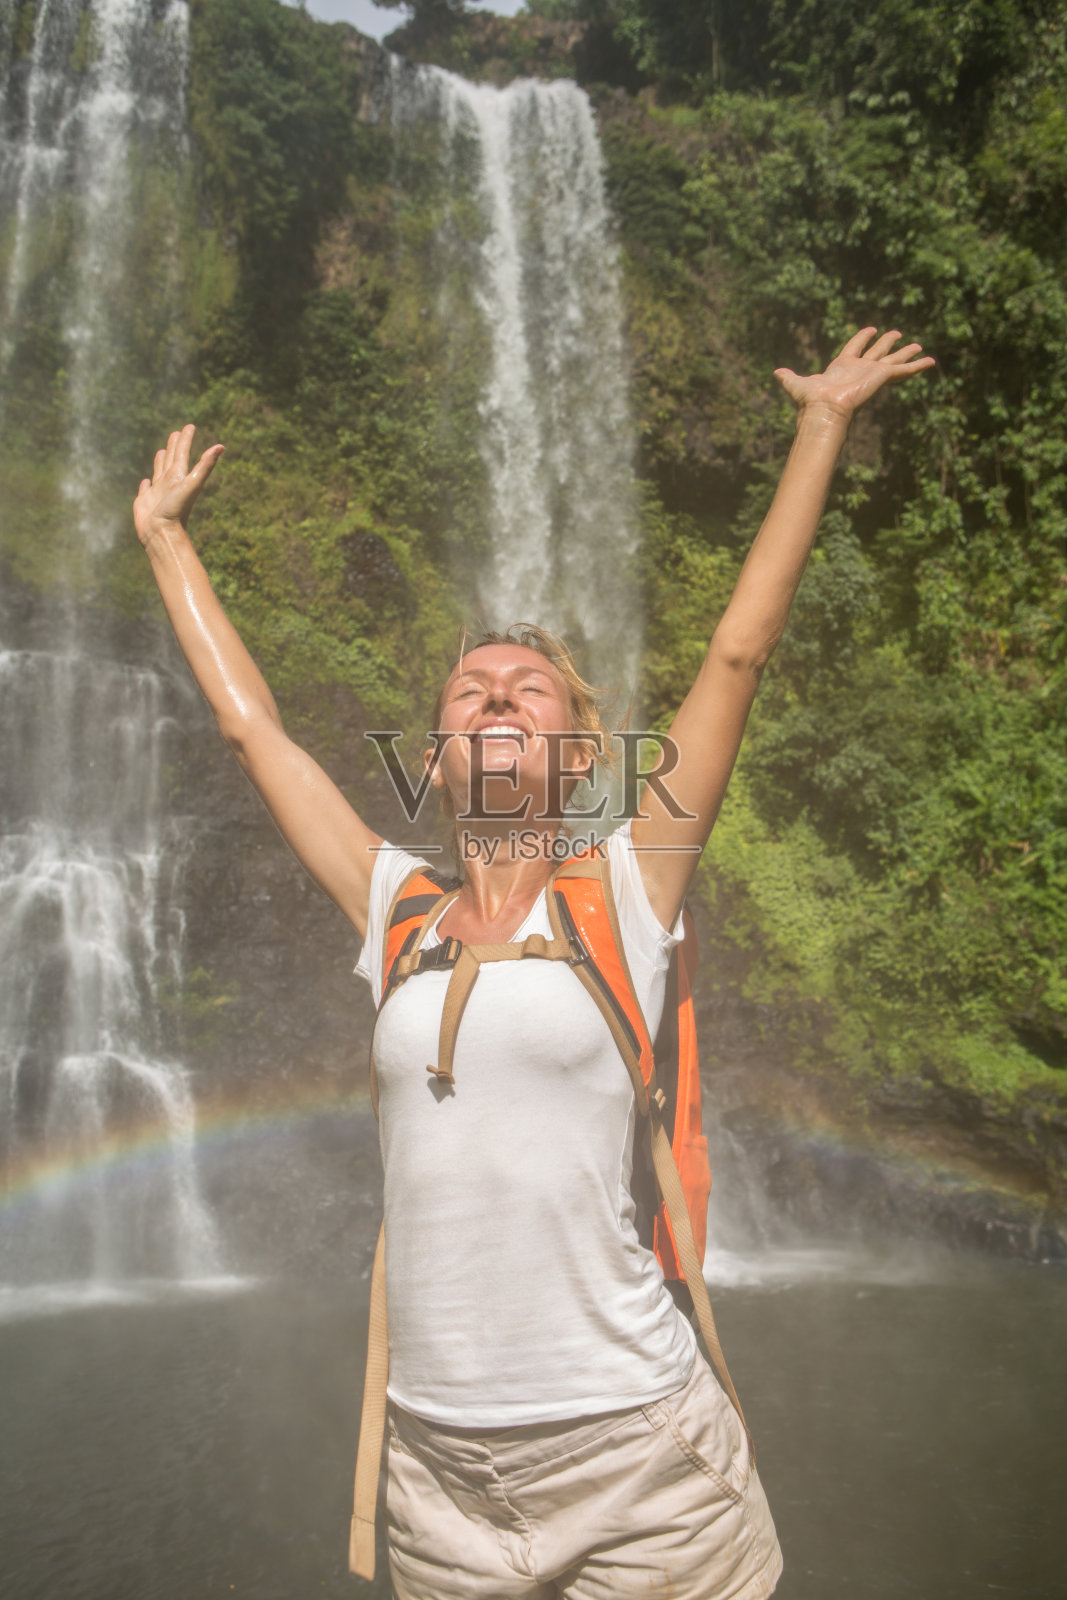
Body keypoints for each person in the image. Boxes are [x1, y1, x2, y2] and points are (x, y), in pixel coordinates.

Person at [134, 327, 934, 1599]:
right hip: (436, 1481)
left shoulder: (628, 886)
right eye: (468, 690)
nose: (496, 693)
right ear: (436, 760)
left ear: (579, 761)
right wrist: (165, 539)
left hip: (640, 1465)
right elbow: (254, 730)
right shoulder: (392, 906)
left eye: (531, 691)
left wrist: (825, 422)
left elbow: (736, 650)